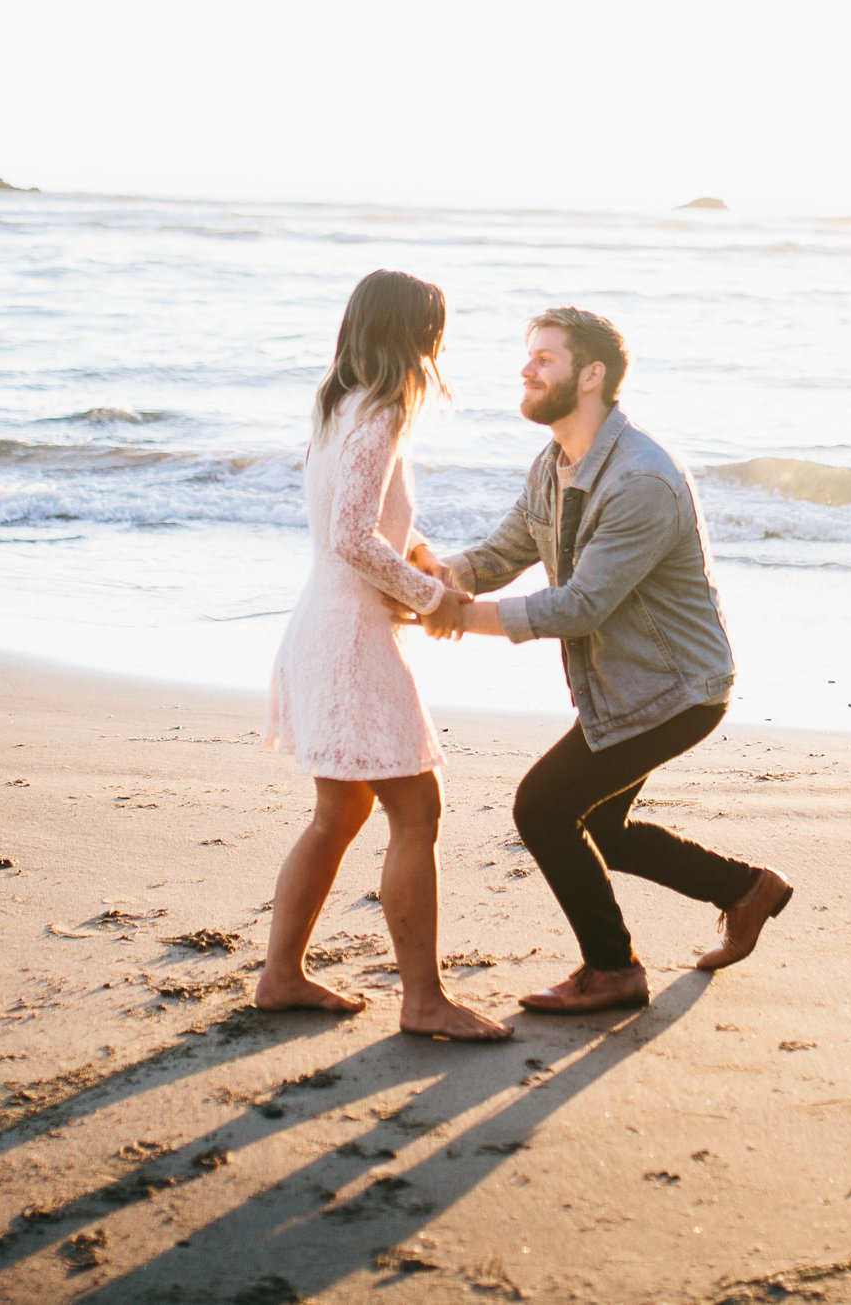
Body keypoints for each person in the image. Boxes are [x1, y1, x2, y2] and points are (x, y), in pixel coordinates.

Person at [423, 307, 792, 1013]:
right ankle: (747, 889)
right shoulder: (556, 463)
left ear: (591, 375)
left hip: (677, 689)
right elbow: (502, 554)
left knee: (544, 807)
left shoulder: (641, 480)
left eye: (545, 358)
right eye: (527, 355)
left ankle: (613, 969)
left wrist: (458, 617)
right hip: (627, 683)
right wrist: (434, 578)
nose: (526, 368)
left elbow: (580, 605)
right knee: (600, 827)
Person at [254, 270, 512, 1042]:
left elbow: (380, 520)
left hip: (327, 625)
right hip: (349, 638)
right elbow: (352, 538)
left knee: (341, 810)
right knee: (417, 808)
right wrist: (436, 601)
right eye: (436, 332)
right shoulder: (386, 410)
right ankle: (424, 1000)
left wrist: (427, 559)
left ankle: (280, 975)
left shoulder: (340, 407)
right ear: (414, 334)